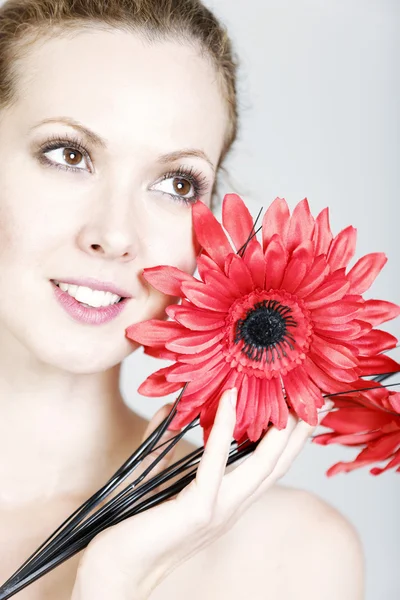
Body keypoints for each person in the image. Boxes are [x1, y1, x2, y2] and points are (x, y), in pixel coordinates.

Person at [0, 0, 364, 598]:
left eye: (175, 184)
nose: (115, 235)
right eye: (69, 155)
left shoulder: (292, 558)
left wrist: (116, 582)